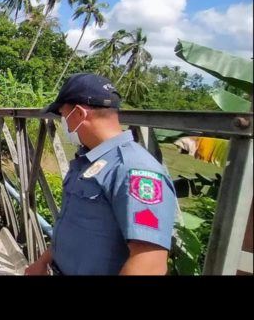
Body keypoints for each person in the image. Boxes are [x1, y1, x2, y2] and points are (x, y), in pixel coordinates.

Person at [25, 73, 176, 276]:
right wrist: (43, 262)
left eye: (63, 115)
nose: (64, 125)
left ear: (79, 114)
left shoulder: (134, 170)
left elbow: (149, 263)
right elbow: (75, 225)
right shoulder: (87, 160)